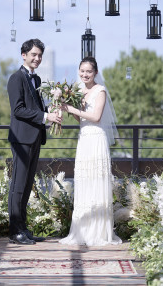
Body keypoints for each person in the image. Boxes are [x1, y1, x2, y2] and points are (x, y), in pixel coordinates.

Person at [59, 57, 122, 246]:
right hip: (84, 139)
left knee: (96, 181)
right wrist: (69, 109)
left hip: (96, 139)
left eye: (89, 71)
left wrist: (72, 108)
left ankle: (98, 232)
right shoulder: (78, 91)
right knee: (84, 181)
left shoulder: (100, 91)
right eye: (82, 71)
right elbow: (82, 120)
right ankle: (82, 231)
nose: (85, 74)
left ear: (95, 73)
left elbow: (95, 117)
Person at [7, 39, 62, 245]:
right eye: (34, 55)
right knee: (18, 185)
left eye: (40, 55)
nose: (37, 59)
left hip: (35, 137)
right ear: (24, 55)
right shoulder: (16, 78)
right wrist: (46, 117)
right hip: (21, 138)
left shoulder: (36, 80)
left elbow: (38, 108)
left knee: (27, 184)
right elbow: (18, 109)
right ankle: (14, 231)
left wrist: (52, 111)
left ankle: (23, 228)